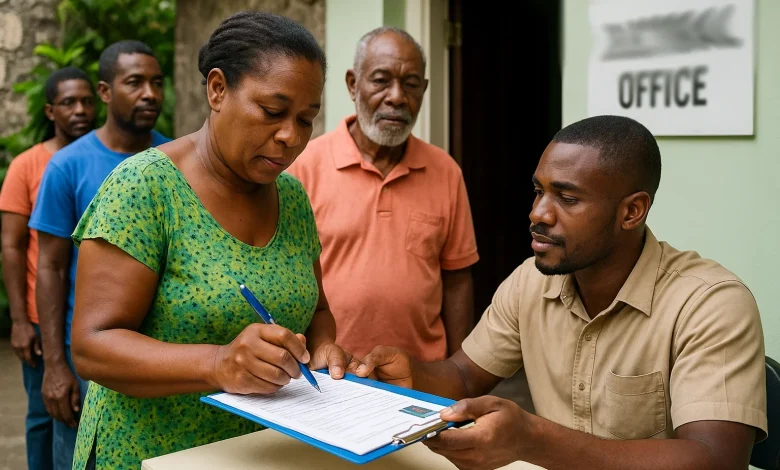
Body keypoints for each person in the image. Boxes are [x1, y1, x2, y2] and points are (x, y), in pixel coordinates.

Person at [353, 115, 767, 470]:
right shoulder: (530, 281)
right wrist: (412, 375)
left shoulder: (711, 303)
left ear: (632, 211)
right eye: (539, 191)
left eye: (567, 198)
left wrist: (534, 439)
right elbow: (464, 375)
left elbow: (716, 459)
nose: (538, 213)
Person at [67, 11, 352, 469]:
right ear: (217, 89)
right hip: (151, 454)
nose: (290, 136)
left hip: (258, 454)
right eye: (273, 112)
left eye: (306, 119)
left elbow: (316, 310)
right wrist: (219, 362)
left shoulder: (292, 198)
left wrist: (321, 350)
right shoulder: (145, 188)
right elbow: (93, 345)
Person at [286, 27, 479, 363]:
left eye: (411, 84)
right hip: (329, 373)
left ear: (424, 91)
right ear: (352, 84)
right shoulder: (303, 168)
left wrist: (459, 372)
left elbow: (457, 279)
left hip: (424, 377)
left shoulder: (446, 171)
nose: (396, 97)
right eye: (380, 80)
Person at [27, 40, 170, 469]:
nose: (150, 93)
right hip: (89, 363)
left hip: (163, 363)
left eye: (157, 82)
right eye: (135, 82)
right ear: (106, 92)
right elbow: (50, 268)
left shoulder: (176, 159)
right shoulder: (67, 167)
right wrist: (55, 367)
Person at [0, 66, 95, 470]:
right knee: (45, 411)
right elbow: (12, 244)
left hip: (89, 316)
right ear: (49, 111)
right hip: (46, 320)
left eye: (87, 101)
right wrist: (21, 320)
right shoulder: (29, 165)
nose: (80, 110)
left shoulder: (103, 158)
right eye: (68, 103)